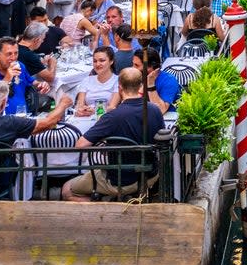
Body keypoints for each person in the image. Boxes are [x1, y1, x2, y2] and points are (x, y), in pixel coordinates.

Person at [61, 68, 164, 202]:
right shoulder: (155, 109)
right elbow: (161, 140)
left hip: (121, 179)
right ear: (140, 86)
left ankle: (105, 214)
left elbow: (80, 145)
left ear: (120, 87)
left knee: (67, 189)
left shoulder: (112, 117)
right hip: (150, 174)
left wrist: (103, 146)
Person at [0, 36, 49, 115]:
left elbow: (31, 81)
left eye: (16, 53)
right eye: (9, 54)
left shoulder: (20, 66)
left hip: (22, 117)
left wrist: (40, 84)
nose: (13, 58)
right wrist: (7, 79)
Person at [73, 47, 120, 116]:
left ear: (111, 61)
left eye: (102, 60)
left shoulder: (118, 81)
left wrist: (95, 111)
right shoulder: (87, 80)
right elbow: (80, 105)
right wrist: (81, 110)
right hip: (87, 117)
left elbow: (112, 107)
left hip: (108, 118)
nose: (97, 64)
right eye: (95, 61)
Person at [133, 49, 181, 113]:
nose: (132, 68)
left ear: (150, 67)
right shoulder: (135, 77)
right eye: (133, 64)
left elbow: (160, 110)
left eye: (136, 65)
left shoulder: (169, 81)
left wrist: (150, 84)